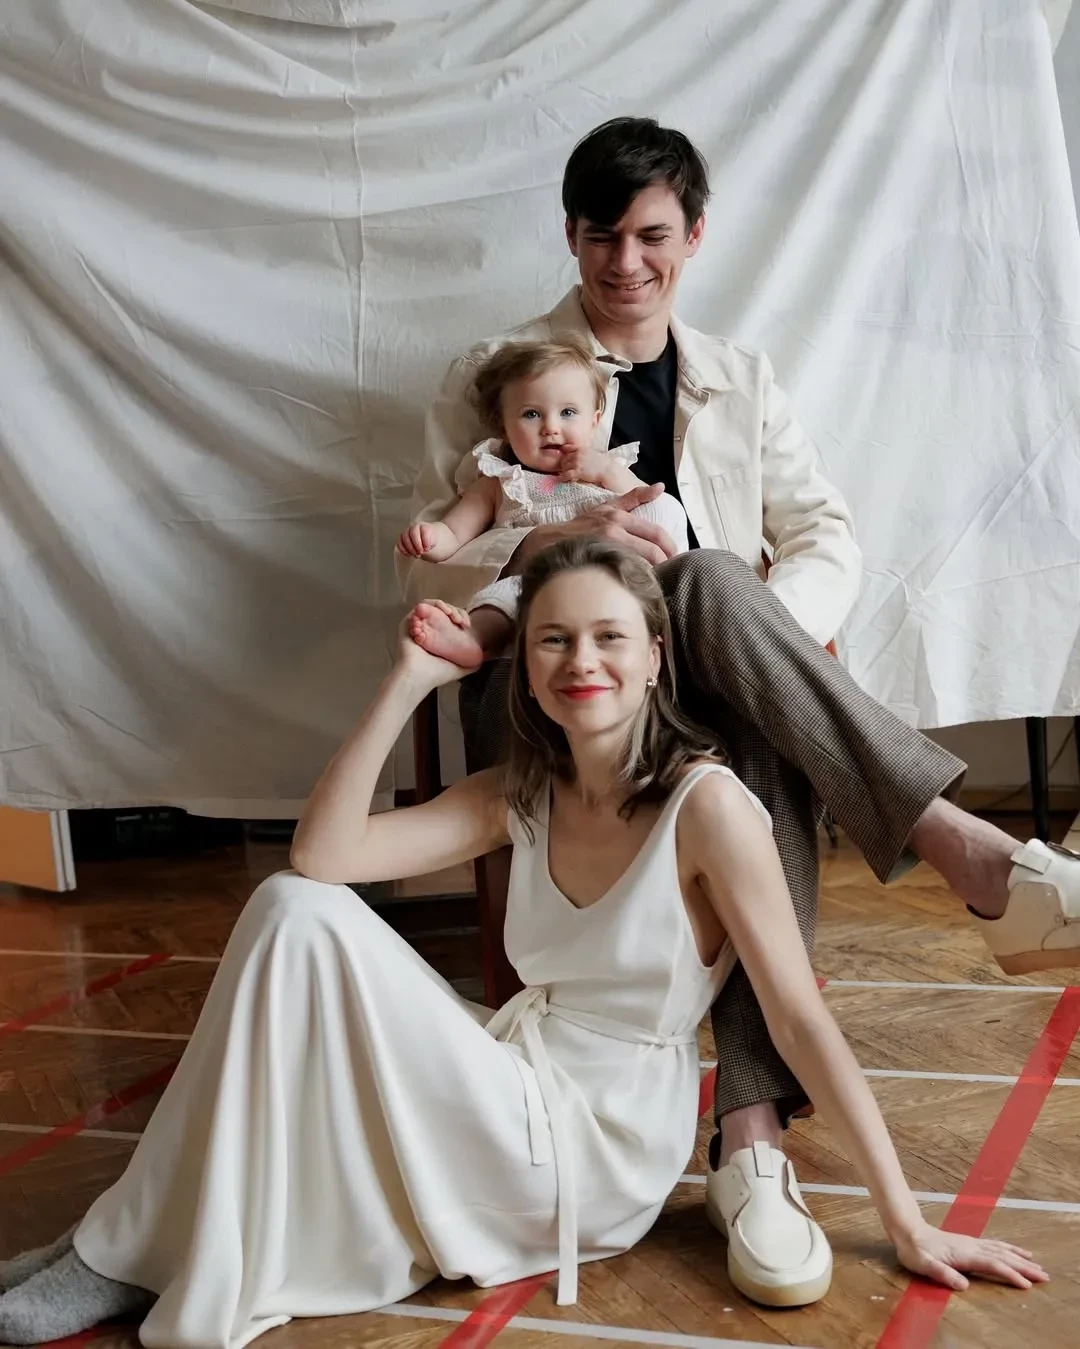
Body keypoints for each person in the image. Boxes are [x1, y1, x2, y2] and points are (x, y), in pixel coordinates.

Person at [0, 540, 1048, 1348]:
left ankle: (123, 1245)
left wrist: (908, 1222)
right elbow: (324, 855)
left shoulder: (710, 808)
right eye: (553, 640)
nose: (580, 659)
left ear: (655, 659)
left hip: (598, 1140)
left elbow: (801, 1019)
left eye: (608, 636)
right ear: (528, 671)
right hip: (517, 1072)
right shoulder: (520, 792)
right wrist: (408, 679)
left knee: (293, 913)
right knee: (292, 904)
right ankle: (132, 1235)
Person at [397, 116, 1080, 1303]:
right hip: (568, 676)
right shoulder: (499, 373)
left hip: (712, 667)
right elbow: (440, 559)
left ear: (694, 236)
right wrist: (563, 544)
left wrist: (768, 621)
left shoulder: (741, 378)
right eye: (602, 235)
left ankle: (752, 1137)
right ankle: (954, 850)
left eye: (651, 235)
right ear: (571, 235)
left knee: (727, 617)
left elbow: (824, 533)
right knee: (718, 604)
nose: (626, 261)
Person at [396, 337, 688, 668]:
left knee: (665, 506)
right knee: (505, 596)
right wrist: (429, 537)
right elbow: (454, 532)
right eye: (532, 414)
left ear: (593, 422)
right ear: (505, 429)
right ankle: (474, 639)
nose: (551, 427)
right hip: (542, 585)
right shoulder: (499, 482)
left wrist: (607, 471)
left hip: (617, 578)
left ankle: (662, 618)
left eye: (568, 413)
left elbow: (647, 502)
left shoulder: (607, 470)